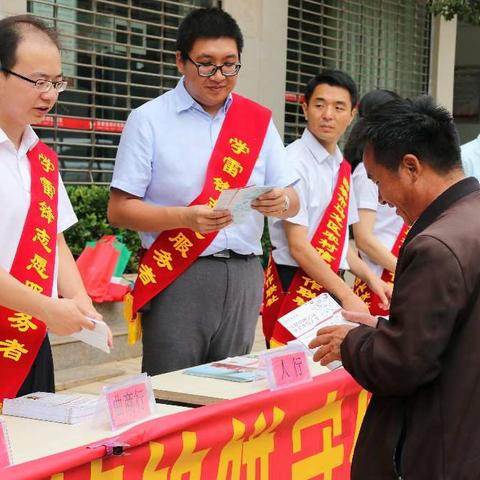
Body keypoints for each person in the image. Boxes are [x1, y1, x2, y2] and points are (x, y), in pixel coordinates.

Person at [108, 7, 299, 376]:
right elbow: (119, 210)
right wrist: (185, 218)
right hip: (179, 274)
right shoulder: (149, 120)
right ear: (181, 61)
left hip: (244, 273)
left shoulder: (257, 121)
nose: (219, 76)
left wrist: (281, 202)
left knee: (229, 397)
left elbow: (293, 200)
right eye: (206, 64)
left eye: (230, 65)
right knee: (172, 393)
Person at [309, 95, 480, 479]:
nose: (382, 199)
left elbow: (402, 365)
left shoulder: (435, 246)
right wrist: (385, 331)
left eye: (377, 181)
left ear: (411, 167)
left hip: (439, 448)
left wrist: (350, 342)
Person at [0, 15, 103, 402]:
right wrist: (49, 307)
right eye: (38, 81)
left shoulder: (41, 158)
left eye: (57, 83)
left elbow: (53, 240)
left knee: (33, 456)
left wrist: (79, 301)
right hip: (26, 322)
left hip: (29, 341)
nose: (50, 94)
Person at [264, 70, 391, 346]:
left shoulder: (341, 166)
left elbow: (341, 242)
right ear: (305, 108)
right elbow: (299, 246)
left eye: (338, 107)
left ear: (352, 114)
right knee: (293, 374)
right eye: (320, 105)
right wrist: (347, 295)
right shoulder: (292, 162)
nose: (328, 114)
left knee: (323, 374)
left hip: (329, 284)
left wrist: (372, 280)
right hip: (295, 284)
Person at [346, 89, 407, 315]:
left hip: (393, 269)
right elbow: (363, 239)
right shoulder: (365, 173)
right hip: (381, 276)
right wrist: (403, 269)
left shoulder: (391, 167)